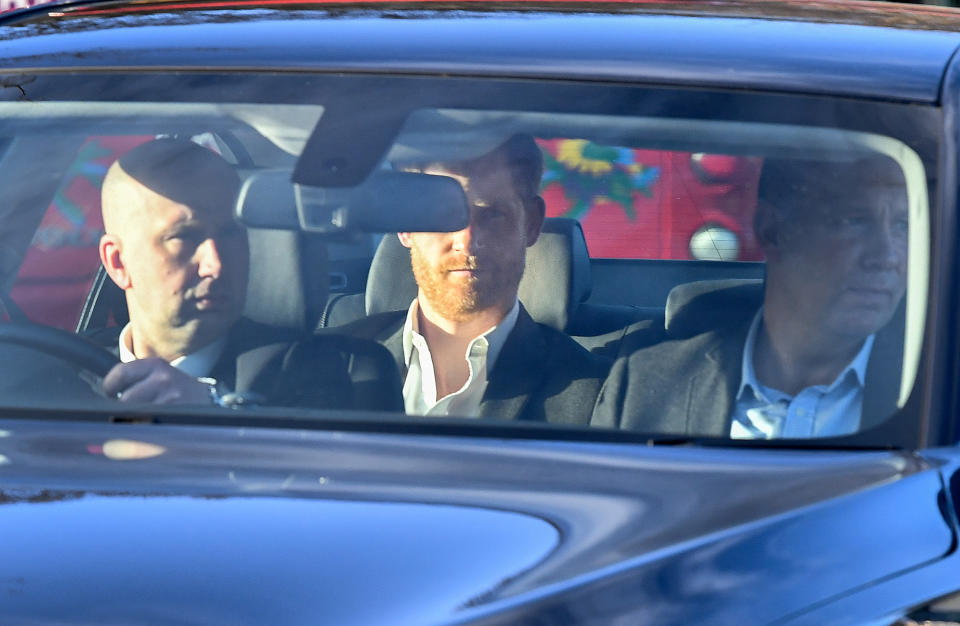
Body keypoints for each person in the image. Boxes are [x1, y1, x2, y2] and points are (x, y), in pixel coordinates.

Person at [295, 134, 609, 424]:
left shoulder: (596, 394)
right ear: (405, 222)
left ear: (531, 224)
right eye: (444, 213)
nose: (467, 241)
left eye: (494, 214)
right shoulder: (319, 364)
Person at [593, 154, 909, 437]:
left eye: (902, 226)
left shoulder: (940, 387)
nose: (886, 256)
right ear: (771, 231)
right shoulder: (644, 385)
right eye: (854, 222)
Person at [91, 138, 304, 406]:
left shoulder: (305, 370)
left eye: (230, 233)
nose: (216, 265)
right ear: (118, 262)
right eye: (185, 237)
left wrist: (213, 407)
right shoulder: (61, 370)